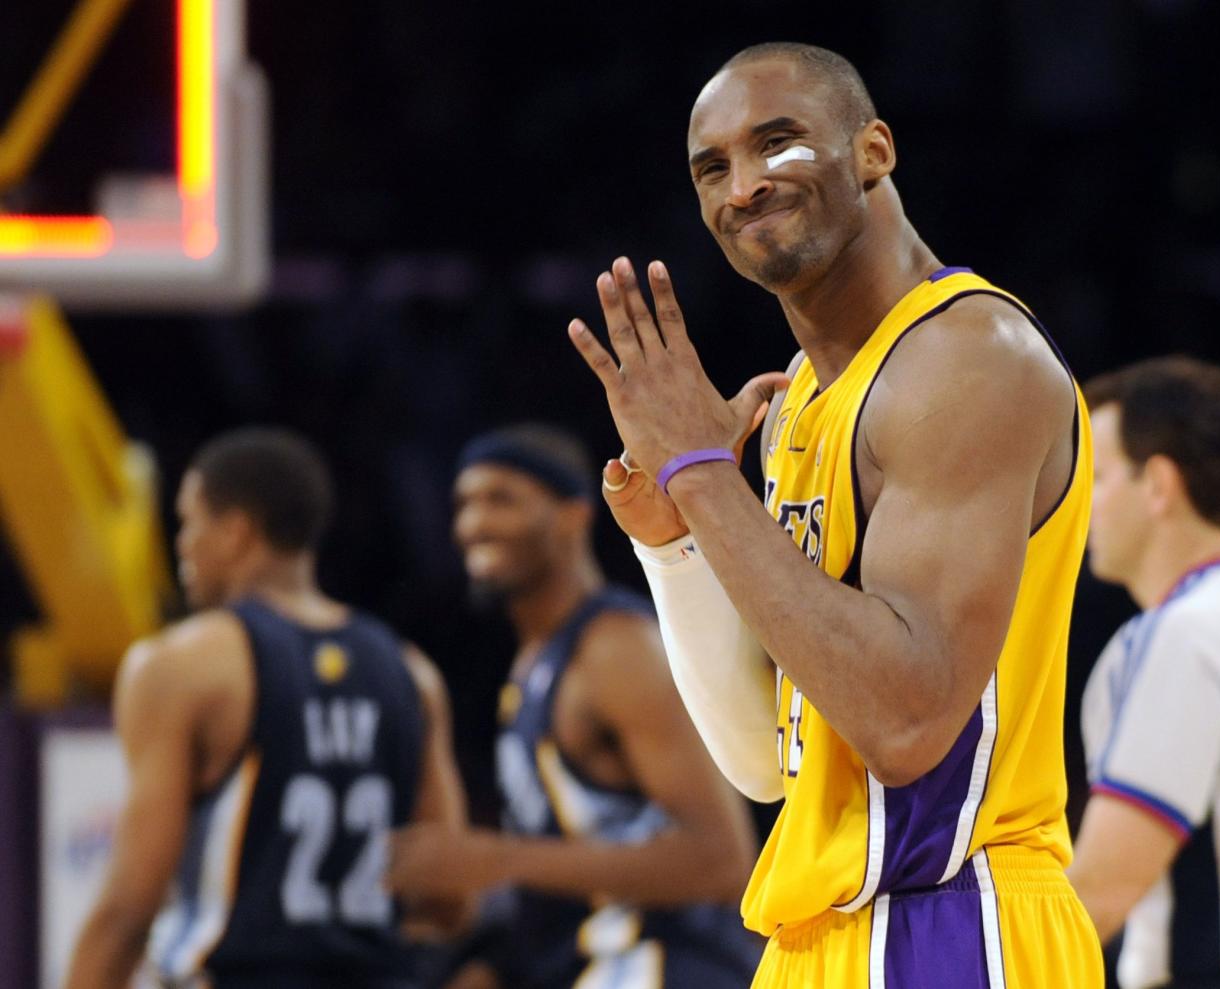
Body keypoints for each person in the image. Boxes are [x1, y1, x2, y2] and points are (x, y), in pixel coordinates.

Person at [567, 41, 1104, 988]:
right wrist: (678, 543)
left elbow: (904, 723)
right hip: (818, 934)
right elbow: (769, 765)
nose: (743, 186)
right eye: (712, 168)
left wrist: (701, 470)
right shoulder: (800, 409)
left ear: (873, 152)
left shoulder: (969, 358)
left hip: (952, 924)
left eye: (777, 144)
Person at [64, 427, 467, 989]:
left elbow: (131, 905)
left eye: (189, 522)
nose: (181, 545)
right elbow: (450, 897)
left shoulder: (179, 666)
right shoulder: (412, 673)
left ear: (235, 533)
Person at [386, 423, 762, 989]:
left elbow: (721, 859)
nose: (474, 522)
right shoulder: (535, 663)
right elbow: (575, 870)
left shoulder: (615, 649)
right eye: (464, 503)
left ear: (573, 515)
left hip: (668, 967)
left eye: (501, 499)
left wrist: (494, 858)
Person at [1068, 357, 1220, 988]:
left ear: (1160, 484)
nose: (1081, 504)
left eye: (1097, 476)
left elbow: (1103, 887)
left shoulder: (1186, 631)